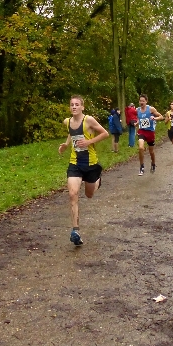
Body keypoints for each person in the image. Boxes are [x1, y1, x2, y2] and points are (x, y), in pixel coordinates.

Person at [58, 95, 109, 246]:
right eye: (71, 104)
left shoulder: (89, 120)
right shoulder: (67, 121)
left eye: (77, 104)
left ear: (82, 107)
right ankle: (75, 231)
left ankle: (97, 180)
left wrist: (88, 142)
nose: (74, 107)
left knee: (89, 194)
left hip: (91, 163)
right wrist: (67, 144)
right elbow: (71, 132)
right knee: (73, 194)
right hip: (75, 163)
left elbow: (105, 133)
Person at [136, 94, 164, 176]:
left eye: (143, 101)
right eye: (140, 101)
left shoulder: (151, 109)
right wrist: (136, 123)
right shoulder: (137, 110)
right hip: (142, 131)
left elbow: (161, 116)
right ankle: (141, 167)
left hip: (150, 132)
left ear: (146, 101)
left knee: (151, 151)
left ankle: (153, 163)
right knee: (141, 147)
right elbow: (139, 119)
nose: (141, 102)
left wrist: (155, 118)